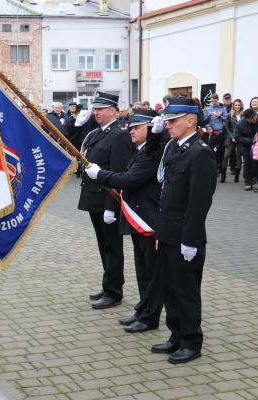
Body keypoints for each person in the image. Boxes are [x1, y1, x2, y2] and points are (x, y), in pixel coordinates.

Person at [85, 109, 163, 333]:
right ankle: (143, 310)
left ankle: (150, 317)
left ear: (151, 129)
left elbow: (129, 179)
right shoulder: (140, 150)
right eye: (131, 127)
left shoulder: (152, 152)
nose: (131, 131)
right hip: (138, 219)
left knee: (151, 273)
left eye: (137, 127)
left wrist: (100, 175)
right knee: (142, 270)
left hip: (148, 220)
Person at [152, 97, 217, 364]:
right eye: (167, 121)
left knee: (186, 291)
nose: (168, 125)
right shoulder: (174, 147)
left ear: (191, 121)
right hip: (167, 232)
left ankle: (191, 342)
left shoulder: (200, 153)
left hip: (185, 237)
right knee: (169, 288)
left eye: (173, 121)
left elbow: (199, 202)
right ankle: (176, 335)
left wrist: (189, 240)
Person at [78, 92, 134, 309]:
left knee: (112, 247)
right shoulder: (96, 133)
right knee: (104, 246)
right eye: (95, 109)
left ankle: (114, 292)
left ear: (114, 111)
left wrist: (112, 207)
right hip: (94, 198)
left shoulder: (119, 135)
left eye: (101, 109)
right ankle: (108, 284)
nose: (96, 112)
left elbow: (118, 172)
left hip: (107, 200)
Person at [203, 94, 229, 178]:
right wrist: (209, 114)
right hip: (210, 132)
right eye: (212, 101)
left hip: (219, 132)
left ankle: (218, 168)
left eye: (215, 101)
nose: (213, 102)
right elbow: (203, 119)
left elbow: (226, 119)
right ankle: (209, 168)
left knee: (218, 150)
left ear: (218, 100)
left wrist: (219, 116)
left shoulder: (222, 108)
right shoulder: (207, 108)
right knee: (209, 150)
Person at [234, 108, 258, 191]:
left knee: (256, 164)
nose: (253, 120)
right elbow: (237, 137)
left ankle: (255, 181)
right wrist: (251, 140)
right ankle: (248, 182)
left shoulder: (256, 119)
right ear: (246, 118)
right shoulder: (240, 124)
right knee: (247, 164)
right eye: (251, 119)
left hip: (257, 147)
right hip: (246, 146)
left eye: (254, 118)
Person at [221, 99, 244, 183]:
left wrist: (238, 137)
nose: (237, 106)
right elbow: (226, 128)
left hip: (240, 139)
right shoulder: (229, 115)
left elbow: (244, 128)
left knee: (238, 157)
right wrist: (232, 136)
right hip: (230, 138)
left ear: (241, 106)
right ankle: (223, 176)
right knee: (225, 156)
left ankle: (236, 177)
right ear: (233, 106)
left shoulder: (244, 116)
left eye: (239, 105)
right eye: (235, 105)